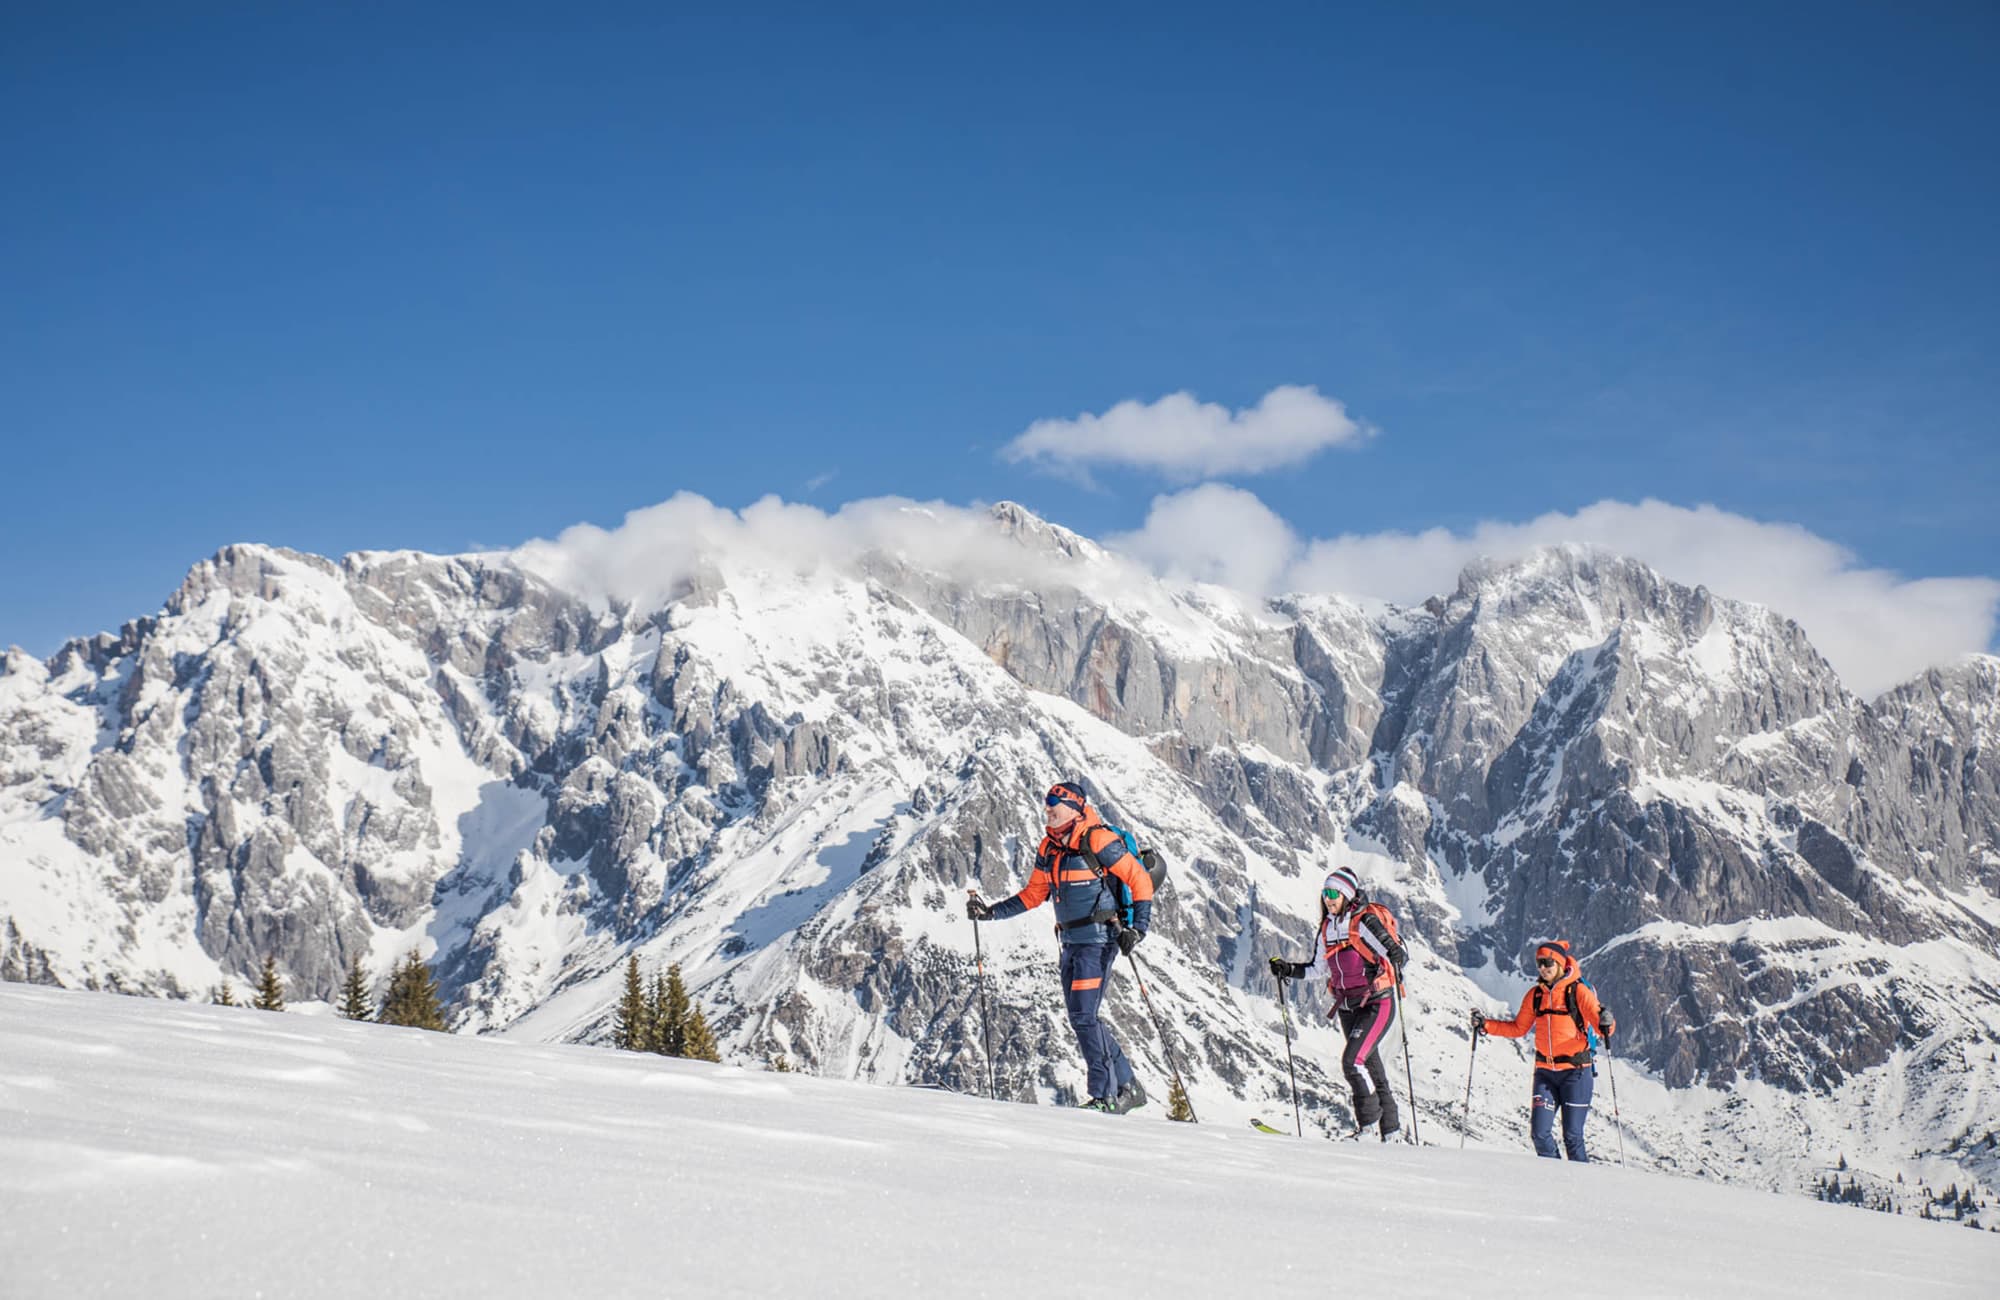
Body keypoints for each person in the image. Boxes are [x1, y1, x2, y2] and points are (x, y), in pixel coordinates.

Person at [966, 781, 1154, 1114]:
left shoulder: (1098, 840)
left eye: (1055, 804)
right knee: (1083, 1017)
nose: (1048, 809)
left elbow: (1139, 879)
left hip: (1098, 941)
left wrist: (1137, 929)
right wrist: (990, 913)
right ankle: (1128, 1086)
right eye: (1047, 804)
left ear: (1075, 808)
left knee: (1083, 1016)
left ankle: (1106, 1096)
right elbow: (1033, 895)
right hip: (1069, 943)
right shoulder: (1049, 848)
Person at [1268, 866, 1408, 1140]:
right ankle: (1392, 1134)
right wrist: (1288, 969)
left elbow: (1396, 951)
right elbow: (1317, 969)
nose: (1328, 899)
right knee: (1371, 1067)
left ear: (1346, 894)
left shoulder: (1363, 921)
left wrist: (1396, 955)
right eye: (1325, 893)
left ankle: (1368, 1127)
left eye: (1333, 894)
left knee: (1352, 1062)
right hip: (1347, 1006)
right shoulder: (1327, 927)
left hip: (1377, 1003)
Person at [1472, 939, 1616, 1162]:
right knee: (1539, 1134)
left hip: (1576, 1072)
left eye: (1548, 962)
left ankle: (1582, 1182)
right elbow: (1518, 1028)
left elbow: (1603, 1028)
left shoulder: (1577, 991)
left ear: (1560, 963)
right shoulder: (1536, 995)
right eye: (1539, 963)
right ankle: (1555, 1177)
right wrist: (1486, 1026)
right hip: (1545, 1073)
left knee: (1573, 1137)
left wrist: (1607, 1022)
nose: (1542, 968)